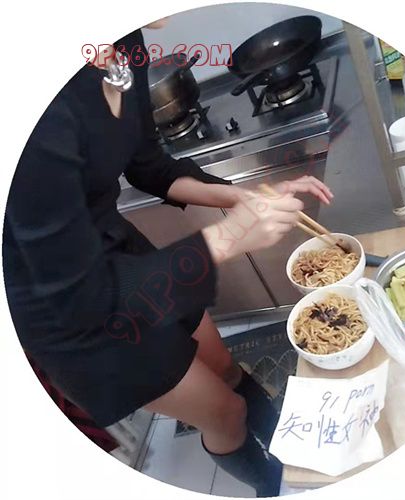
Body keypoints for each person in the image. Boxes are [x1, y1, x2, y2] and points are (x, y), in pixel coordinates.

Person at [3, 20, 333, 497]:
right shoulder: (38, 109)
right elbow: (83, 298)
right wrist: (230, 236)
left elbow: (147, 163)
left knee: (225, 368)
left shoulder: (123, 42)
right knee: (226, 413)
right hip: (72, 312)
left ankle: (292, 448)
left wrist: (239, 197)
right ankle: (272, 486)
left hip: (126, 255)